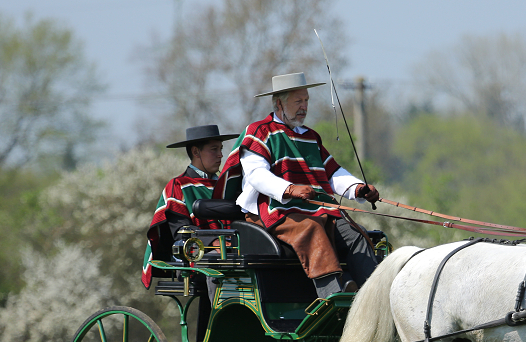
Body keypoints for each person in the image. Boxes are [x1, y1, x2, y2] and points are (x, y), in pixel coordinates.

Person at [214, 72, 380, 297]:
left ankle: (373, 297)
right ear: (279, 103)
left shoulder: (311, 136)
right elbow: (256, 175)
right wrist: (289, 189)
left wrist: (359, 188)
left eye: (307, 100)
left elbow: (332, 173)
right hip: (274, 210)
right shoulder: (260, 131)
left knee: (356, 235)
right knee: (312, 229)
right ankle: (332, 298)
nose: (304, 106)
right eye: (298, 101)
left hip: (317, 209)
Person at [141, 125, 239, 288]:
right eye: (214, 149)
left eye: (221, 149)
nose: (221, 155)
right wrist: (214, 241)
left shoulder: (227, 184)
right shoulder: (178, 186)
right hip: (194, 259)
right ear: (196, 152)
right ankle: (221, 310)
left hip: (229, 251)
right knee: (217, 262)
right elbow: (181, 232)